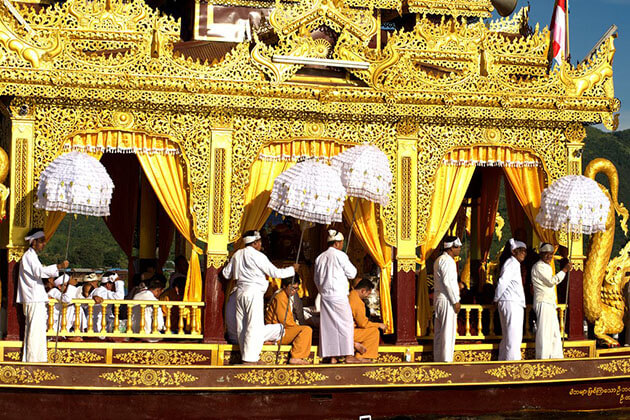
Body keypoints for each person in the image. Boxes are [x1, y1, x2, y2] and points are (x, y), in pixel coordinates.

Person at [222, 230, 298, 364]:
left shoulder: (237, 255)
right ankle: (250, 359)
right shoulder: (258, 256)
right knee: (253, 326)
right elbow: (275, 272)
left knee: (242, 325)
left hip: (240, 292)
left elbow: (226, 274)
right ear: (256, 243)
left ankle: (244, 354)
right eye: (260, 241)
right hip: (253, 292)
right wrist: (292, 269)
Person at [17, 228, 69, 363]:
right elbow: (39, 272)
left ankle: (36, 359)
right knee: (34, 332)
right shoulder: (29, 256)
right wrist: (58, 266)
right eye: (41, 241)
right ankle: (32, 361)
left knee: (38, 331)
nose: (44, 244)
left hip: (36, 298)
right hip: (33, 299)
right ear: (34, 242)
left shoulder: (33, 256)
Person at [314, 229, 362, 364]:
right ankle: (348, 355)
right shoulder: (340, 256)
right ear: (337, 243)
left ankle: (332, 356)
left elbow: (316, 280)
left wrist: (323, 291)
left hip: (326, 296)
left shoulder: (320, 257)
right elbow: (352, 273)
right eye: (341, 243)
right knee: (346, 324)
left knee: (329, 326)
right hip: (339, 295)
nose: (342, 245)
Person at [531, 243, 571, 359]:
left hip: (549, 302)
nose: (549, 256)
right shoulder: (539, 266)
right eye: (546, 254)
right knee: (544, 331)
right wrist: (564, 270)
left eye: (551, 254)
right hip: (543, 301)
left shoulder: (547, 266)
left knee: (554, 331)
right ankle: (542, 358)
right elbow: (550, 281)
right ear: (541, 254)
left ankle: (555, 356)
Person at [265, 276, 313, 365]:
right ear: (284, 286)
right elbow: (285, 321)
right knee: (306, 330)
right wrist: (298, 328)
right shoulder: (280, 297)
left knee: (303, 330)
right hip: (278, 332)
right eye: (292, 288)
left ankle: (274, 343)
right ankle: (296, 357)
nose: (294, 291)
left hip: (282, 330)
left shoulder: (285, 296)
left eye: (296, 289)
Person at [495, 238, 527, 361]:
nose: (524, 253)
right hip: (510, 302)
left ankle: (504, 362)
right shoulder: (511, 263)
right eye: (521, 251)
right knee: (513, 337)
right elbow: (502, 282)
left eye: (525, 251)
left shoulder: (514, 264)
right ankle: (512, 365)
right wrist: (496, 298)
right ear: (514, 251)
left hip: (513, 302)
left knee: (509, 337)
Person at [432, 236, 462, 362]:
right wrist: (455, 300)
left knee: (440, 333)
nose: (460, 249)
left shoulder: (440, 260)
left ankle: (438, 360)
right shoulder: (448, 261)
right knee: (447, 333)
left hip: (440, 298)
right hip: (447, 300)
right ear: (451, 248)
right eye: (458, 247)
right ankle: (446, 362)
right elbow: (448, 282)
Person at [349, 279, 386, 362]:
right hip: (348, 332)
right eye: (368, 294)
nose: (367, 296)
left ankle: (355, 345)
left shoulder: (350, 295)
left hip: (342, 330)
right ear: (363, 291)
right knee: (374, 332)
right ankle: (362, 356)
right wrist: (379, 325)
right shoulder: (357, 302)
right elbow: (362, 323)